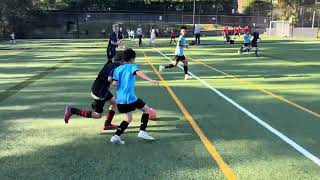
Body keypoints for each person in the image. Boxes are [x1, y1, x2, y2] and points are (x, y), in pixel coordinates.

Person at [64, 51, 124, 130]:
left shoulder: (110, 63)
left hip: (99, 88)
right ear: (121, 61)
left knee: (114, 103)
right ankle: (72, 110)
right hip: (100, 92)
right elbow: (110, 80)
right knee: (98, 115)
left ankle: (107, 124)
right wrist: (117, 84)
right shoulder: (116, 67)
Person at [110, 48, 159, 144]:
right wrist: (150, 80)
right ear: (132, 59)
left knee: (128, 119)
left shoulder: (117, 69)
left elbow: (114, 84)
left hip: (120, 100)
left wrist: (108, 87)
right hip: (130, 98)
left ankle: (116, 136)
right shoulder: (132, 66)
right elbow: (138, 73)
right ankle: (142, 131)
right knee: (146, 110)